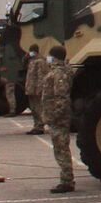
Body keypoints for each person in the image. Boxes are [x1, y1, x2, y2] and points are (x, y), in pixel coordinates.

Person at [39, 48, 78, 193]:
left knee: (61, 149)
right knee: (60, 149)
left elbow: (61, 97)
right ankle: (66, 179)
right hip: (56, 117)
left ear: (54, 57)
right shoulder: (60, 71)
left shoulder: (59, 73)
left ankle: (67, 181)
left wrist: (55, 115)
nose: (47, 58)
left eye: (50, 56)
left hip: (58, 118)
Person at [23, 46, 50, 136]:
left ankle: (40, 126)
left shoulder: (40, 61)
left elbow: (41, 76)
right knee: (34, 109)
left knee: (38, 108)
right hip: (31, 89)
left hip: (36, 89)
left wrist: (40, 89)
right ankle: (36, 125)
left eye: (31, 51)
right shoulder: (31, 61)